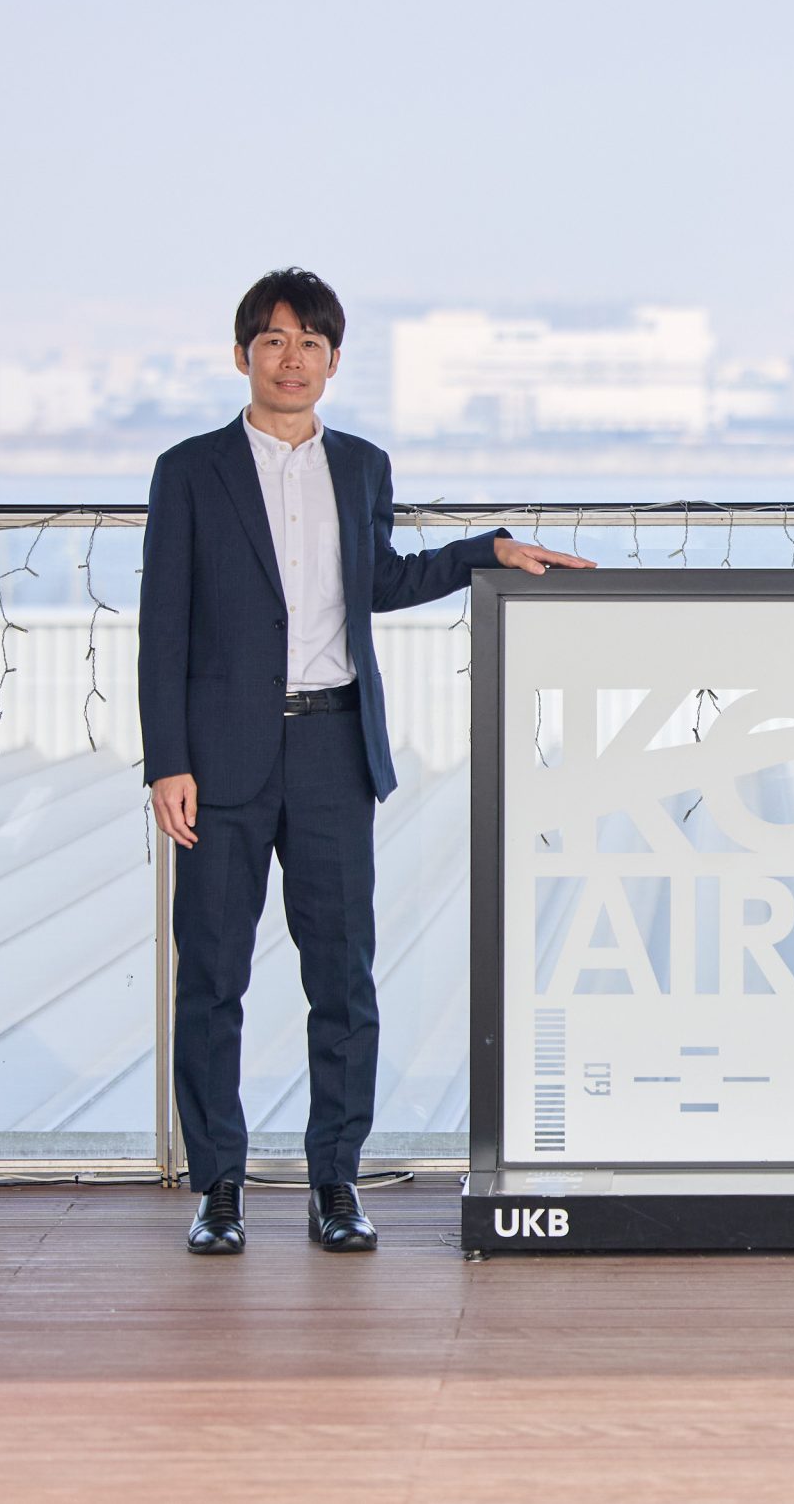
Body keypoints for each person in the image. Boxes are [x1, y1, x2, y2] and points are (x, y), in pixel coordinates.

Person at [139, 266, 590, 1255]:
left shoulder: (362, 467)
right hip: (218, 761)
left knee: (341, 977)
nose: (290, 360)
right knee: (211, 977)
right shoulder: (188, 471)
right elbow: (161, 624)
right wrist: (164, 760)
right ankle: (218, 1187)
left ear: (334, 361)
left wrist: (489, 550)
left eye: (308, 344)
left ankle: (334, 1182)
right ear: (241, 356)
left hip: (334, 749)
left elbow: (378, 579)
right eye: (272, 341)